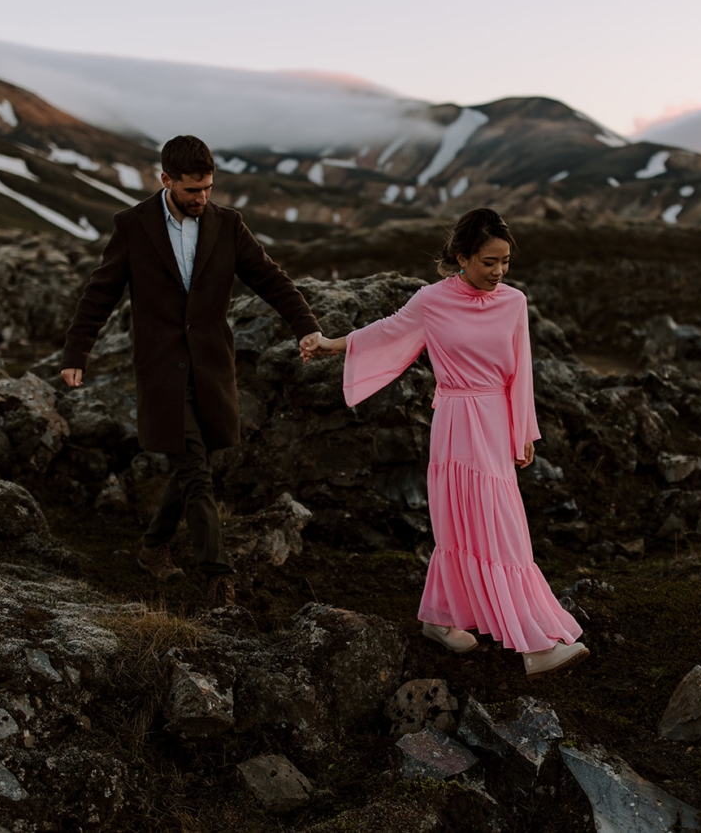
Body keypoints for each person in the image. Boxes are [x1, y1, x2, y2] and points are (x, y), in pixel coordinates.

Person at [302, 208, 588, 677]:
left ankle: (456, 619)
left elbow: (522, 371)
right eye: (489, 262)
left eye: (505, 262)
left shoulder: (514, 303)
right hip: (455, 420)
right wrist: (332, 344)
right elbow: (388, 330)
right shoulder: (431, 301)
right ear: (463, 257)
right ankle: (517, 641)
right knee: (463, 524)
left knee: (502, 524)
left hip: (495, 422)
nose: (499, 272)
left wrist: (523, 431)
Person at [61, 135, 324, 592]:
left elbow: (270, 278)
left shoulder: (228, 224)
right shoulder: (133, 225)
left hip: (211, 367)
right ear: (165, 180)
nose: (201, 198)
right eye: (191, 190)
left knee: (196, 463)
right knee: (197, 473)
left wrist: (305, 325)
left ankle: (152, 547)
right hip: (161, 368)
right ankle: (217, 576)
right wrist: (76, 352)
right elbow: (100, 293)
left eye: (207, 189)